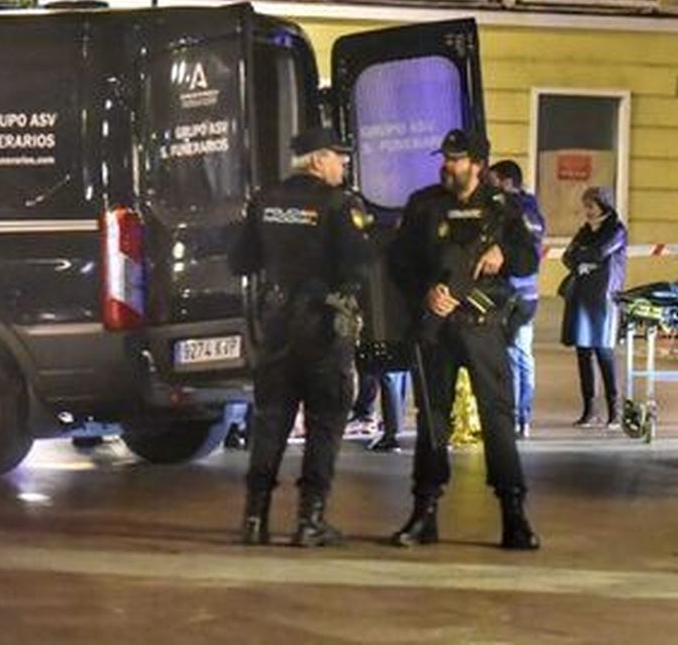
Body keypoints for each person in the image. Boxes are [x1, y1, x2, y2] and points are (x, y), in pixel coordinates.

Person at [388, 129, 539, 551]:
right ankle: (424, 512)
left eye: (455, 159)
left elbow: (528, 258)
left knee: (497, 419)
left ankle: (514, 515)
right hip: (436, 329)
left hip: (482, 325)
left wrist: (504, 255)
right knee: (433, 422)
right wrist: (425, 292)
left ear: (477, 164)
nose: (446, 165)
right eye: (446, 158)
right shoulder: (425, 204)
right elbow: (399, 261)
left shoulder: (503, 209)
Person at [229, 127, 373, 547]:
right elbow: (360, 267)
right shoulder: (339, 204)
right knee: (325, 423)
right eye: (337, 158)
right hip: (323, 330)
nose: (342, 166)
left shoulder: (264, 200)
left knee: (271, 420)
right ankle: (310, 521)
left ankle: (254, 519)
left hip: (276, 328)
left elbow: (240, 261)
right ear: (317, 160)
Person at [561, 187, 628, 428]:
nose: (587, 211)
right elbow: (567, 257)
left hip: (603, 298)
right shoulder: (584, 231)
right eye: (585, 206)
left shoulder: (616, 229)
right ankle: (589, 410)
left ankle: (615, 411)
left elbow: (601, 252)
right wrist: (583, 256)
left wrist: (582, 255)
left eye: (591, 206)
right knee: (583, 352)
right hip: (581, 295)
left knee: (604, 351)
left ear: (603, 205)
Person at [487, 159, 545, 439]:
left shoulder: (518, 210)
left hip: (516, 294)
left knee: (516, 355)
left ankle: (519, 417)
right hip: (519, 293)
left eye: (493, 179)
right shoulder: (527, 209)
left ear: (507, 181)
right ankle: (516, 417)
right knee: (515, 354)